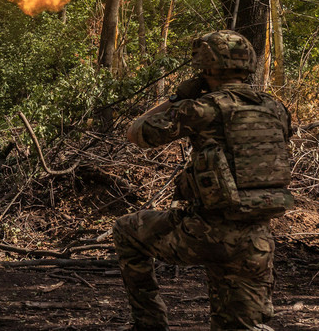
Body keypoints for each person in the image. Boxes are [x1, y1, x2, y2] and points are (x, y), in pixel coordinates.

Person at [112, 30, 294, 331]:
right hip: (257, 243)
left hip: (204, 234)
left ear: (205, 67)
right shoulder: (275, 109)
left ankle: (149, 324)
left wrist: (178, 97)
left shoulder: (201, 108)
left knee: (126, 230)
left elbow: (136, 133)